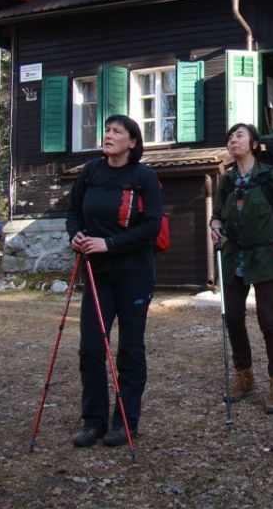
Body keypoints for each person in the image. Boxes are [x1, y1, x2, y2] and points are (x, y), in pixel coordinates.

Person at [66, 115, 163, 448]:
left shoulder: (143, 176)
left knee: (130, 349)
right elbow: (73, 211)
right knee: (91, 347)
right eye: (106, 129)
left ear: (132, 142)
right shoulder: (91, 171)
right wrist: (75, 236)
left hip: (133, 272)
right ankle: (93, 421)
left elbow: (151, 226)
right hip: (96, 273)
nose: (108, 135)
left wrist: (110, 244)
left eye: (116, 131)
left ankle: (125, 421)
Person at [209, 123, 273, 413]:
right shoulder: (227, 181)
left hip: (267, 256)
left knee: (268, 319)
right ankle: (244, 377)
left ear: (254, 143)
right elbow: (217, 216)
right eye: (230, 137)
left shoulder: (270, 176)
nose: (233, 140)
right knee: (232, 317)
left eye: (239, 135)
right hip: (234, 256)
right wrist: (215, 227)